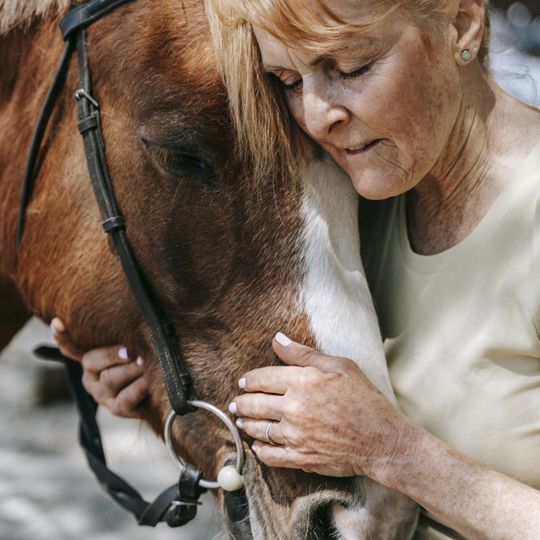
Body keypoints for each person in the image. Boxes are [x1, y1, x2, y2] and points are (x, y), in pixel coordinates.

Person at [52, 0, 540, 537]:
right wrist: (164, 393)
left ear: (461, 23)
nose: (314, 116)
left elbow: (369, 442)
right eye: (286, 80)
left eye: (350, 68)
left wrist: (395, 452)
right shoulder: (355, 197)